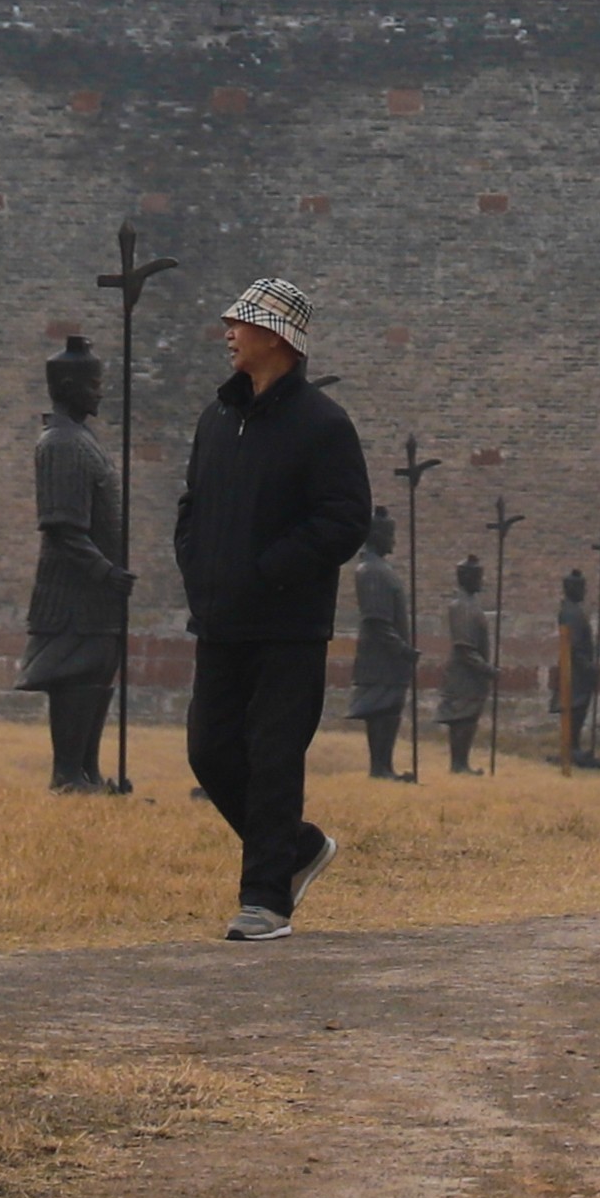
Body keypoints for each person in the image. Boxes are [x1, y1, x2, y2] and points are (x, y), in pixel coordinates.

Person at [171, 278, 370, 941]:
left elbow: (345, 519)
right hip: (220, 620)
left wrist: (270, 571)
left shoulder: (323, 425)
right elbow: (192, 505)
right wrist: (198, 568)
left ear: (278, 338)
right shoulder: (216, 418)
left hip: (289, 624)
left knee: (273, 755)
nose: (229, 332)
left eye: (243, 322)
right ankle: (299, 847)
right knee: (209, 751)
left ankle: (265, 900)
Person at [17, 334, 130, 791]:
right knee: (75, 673)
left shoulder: (83, 440)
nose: (100, 393)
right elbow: (62, 527)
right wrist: (105, 570)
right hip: (72, 590)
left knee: (97, 670)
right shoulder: (61, 444)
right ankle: (67, 774)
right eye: (94, 384)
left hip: (96, 592)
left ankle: (88, 772)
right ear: (68, 386)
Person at [349, 520, 418, 780]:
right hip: (381, 657)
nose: (394, 541)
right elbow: (376, 621)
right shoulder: (372, 571)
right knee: (380, 710)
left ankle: (385, 767)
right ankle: (379, 768)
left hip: (389, 659)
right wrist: (402, 649)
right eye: (390, 535)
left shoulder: (380, 569)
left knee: (389, 711)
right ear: (376, 536)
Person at [434, 560, 493, 770]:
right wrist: (487, 669)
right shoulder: (461, 606)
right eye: (478, 576)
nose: (481, 581)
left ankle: (462, 763)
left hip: (472, 675)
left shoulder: (471, 604)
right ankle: (458, 764)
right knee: (462, 717)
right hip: (464, 673)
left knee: (469, 718)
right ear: (466, 578)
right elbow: (464, 647)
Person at [555, 568, 600, 767]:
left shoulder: (573, 610)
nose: (584, 591)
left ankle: (573, 747)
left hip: (577, 672)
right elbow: (573, 647)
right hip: (574, 673)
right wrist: (588, 667)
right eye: (581, 588)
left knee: (578, 710)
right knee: (574, 709)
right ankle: (570, 749)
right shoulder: (571, 613)